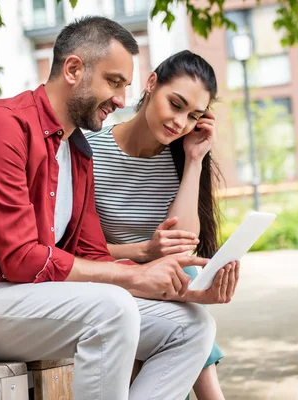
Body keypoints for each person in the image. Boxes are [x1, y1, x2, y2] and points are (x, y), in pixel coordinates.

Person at [0, 17, 238, 400]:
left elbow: (91, 254)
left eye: (125, 86)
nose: (121, 100)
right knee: (112, 308)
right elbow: (20, 259)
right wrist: (136, 277)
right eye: (113, 82)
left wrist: (186, 292)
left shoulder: (78, 150)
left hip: (38, 301)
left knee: (193, 327)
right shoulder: (2, 126)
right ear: (74, 69)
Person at [86, 50, 234, 399]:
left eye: (193, 115)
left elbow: (182, 244)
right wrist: (142, 252)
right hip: (107, 276)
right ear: (151, 83)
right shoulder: (88, 151)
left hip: (166, 284)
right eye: (176, 104)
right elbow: (73, 250)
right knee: (186, 308)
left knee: (182, 274)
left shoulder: (181, 158)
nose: (180, 122)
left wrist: (195, 160)